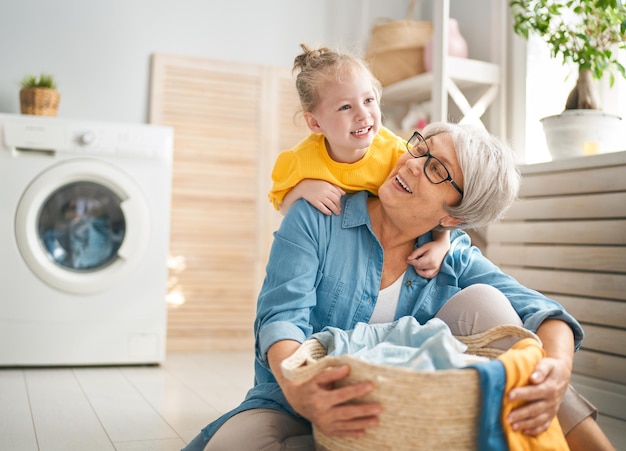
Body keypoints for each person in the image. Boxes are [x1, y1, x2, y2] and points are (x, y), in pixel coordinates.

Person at [184, 122, 614, 451]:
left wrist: (557, 369)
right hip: (297, 397)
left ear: (453, 217)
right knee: (233, 444)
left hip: (412, 404)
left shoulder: (452, 251)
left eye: (436, 169)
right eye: (420, 149)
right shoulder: (316, 216)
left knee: (489, 304)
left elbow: (538, 310)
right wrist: (302, 392)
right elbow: (281, 319)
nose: (410, 164)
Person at [268, 43, 451, 279]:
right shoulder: (299, 160)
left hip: (382, 249)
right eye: (345, 107)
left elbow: (431, 203)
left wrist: (442, 243)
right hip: (334, 252)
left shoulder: (395, 153)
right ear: (315, 124)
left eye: (368, 100)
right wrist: (303, 189)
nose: (363, 114)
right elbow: (281, 204)